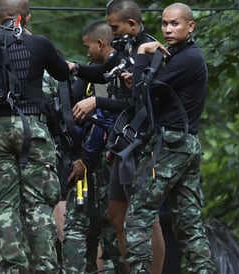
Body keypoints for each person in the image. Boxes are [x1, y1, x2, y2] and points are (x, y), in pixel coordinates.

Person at [68, 1, 165, 273]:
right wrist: (74, 67)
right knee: (115, 214)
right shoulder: (125, 49)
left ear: (132, 25)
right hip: (121, 142)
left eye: (115, 27)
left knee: (146, 217)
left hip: (142, 142)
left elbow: (138, 104)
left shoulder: (148, 50)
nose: (113, 33)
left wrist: (96, 103)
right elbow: (101, 71)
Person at [124, 3, 217, 274]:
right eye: (164, 23)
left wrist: (142, 52)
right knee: (189, 223)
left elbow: (141, 94)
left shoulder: (187, 59)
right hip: (185, 144)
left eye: (174, 24)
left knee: (139, 214)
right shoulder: (180, 55)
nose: (167, 29)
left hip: (172, 146)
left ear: (190, 26)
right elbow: (150, 89)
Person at [0, 0, 69, 272]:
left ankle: (13, 268)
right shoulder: (39, 43)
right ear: (26, 18)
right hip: (34, 129)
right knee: (39, 204)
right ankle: (46, 267)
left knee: (4, 206)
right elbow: (62, 73)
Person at [62, 19, 124, 273]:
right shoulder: (95, 72)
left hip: (103, 160)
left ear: (101, 43)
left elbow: (104, 123)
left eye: (88, 47)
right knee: (100, 223)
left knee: (97, 224)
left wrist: (85, 160)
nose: (87, 53)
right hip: (90, 156)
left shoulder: (112, 73)